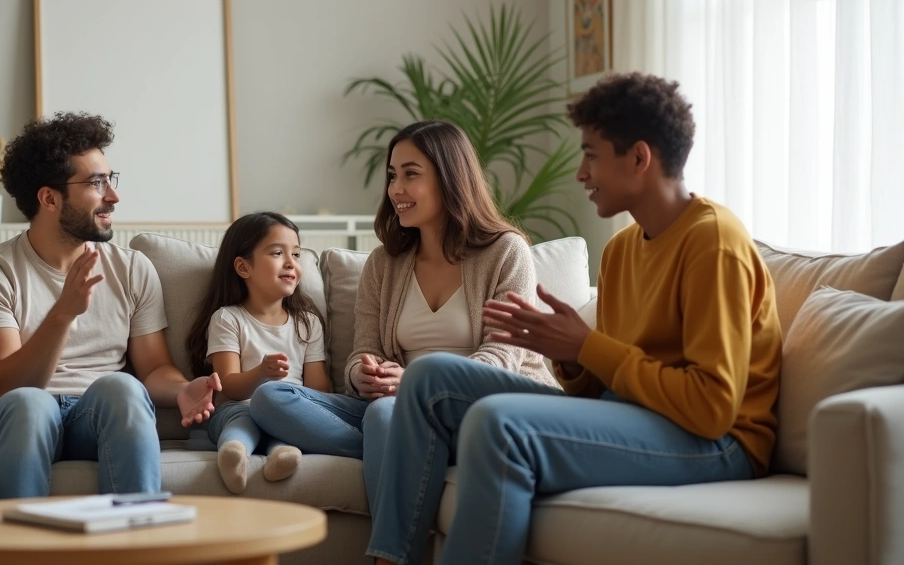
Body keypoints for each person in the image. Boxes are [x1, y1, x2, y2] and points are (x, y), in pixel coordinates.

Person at [366, 73, 783, 565]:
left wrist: (586, 347)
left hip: (718, 444)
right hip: (637, 415)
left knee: (498, 423)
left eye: (591, 155)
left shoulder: (714, 242)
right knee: (430, 375)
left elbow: (711, 408)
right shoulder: (623, 249)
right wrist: (566, 354)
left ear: (639, 158)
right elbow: (601, 391)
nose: (581, 173)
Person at [249, 120, 557, 506]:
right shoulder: (384, 263)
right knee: (270, 398)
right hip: (397, 407)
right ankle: (419, 451)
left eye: (411, 175)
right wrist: (364, 374)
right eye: (392, 175)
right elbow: (365, 350)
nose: (396, 189)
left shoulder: (506, 252)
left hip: (477, 407)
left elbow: (503, 357)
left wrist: (414, 382)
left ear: (450, 179)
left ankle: (394, 535)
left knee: (382, 417)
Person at [0, 112, 220, 500]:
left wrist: (181, 389)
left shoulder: (131, 269)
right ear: (49, 198)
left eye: (110, 180)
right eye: (97, 183)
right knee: (32, 405)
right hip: (5, 421)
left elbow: (155, 368)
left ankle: (138, 538)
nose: (113, 196)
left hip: (90, 418)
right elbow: (3, 388)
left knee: (124, 389)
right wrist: (63, 313)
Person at [186, 212, 331, 493]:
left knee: (286, 426)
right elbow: (228, 384)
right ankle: (234, 451)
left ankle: (282, 455)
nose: (291, 263)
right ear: (243, 267)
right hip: (238, 407)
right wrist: (261, 374)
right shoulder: (228, 318)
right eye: (278, 252)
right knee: (241, 420)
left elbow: (318, 386)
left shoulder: (307, 322)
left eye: (297, 254)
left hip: (286, 412)